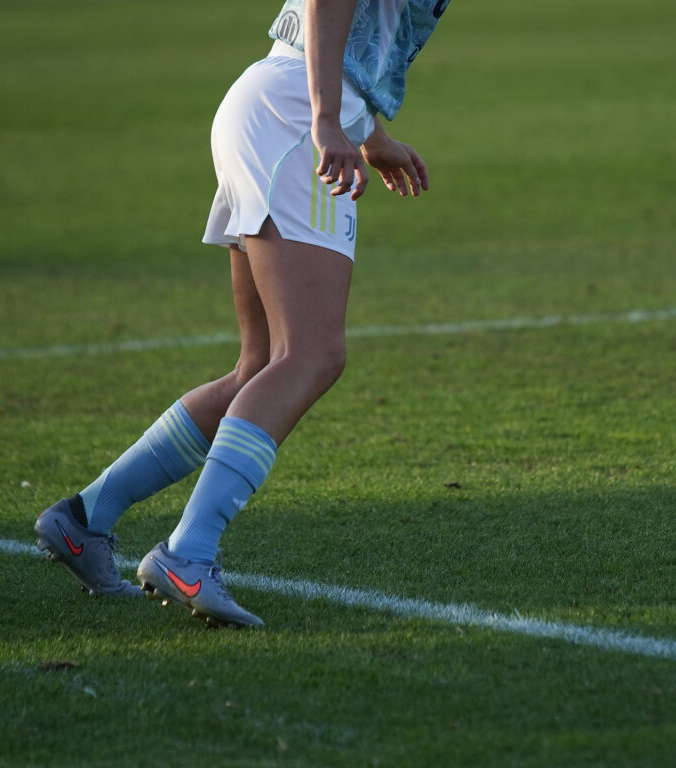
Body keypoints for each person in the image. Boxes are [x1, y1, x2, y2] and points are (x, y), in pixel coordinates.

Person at [34, 0, 450, 628]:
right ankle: (188, 553)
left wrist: (369, 132)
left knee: (258, 367)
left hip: (269, 103)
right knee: (310, 356)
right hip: (293, 116)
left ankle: (86, 517)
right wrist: (328, 118)